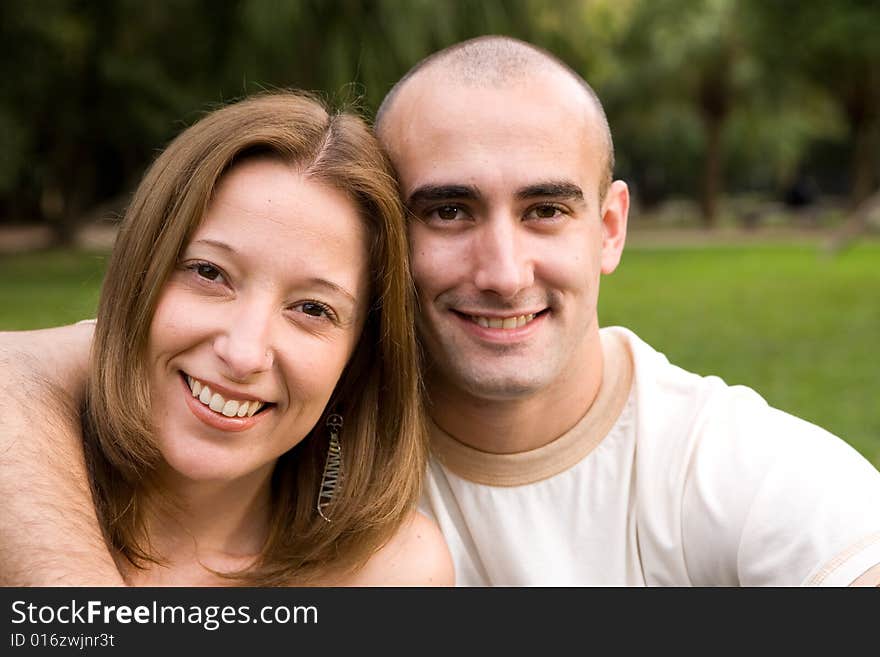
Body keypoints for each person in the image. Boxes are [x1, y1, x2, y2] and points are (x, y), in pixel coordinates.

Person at [3, 36, 880, 586]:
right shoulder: (306, 410)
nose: (502, 271)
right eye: (449, 211)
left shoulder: (722, 462)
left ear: (609, 227)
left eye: (545, 209)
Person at [0, 90, 453, 586]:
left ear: (358, 359)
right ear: (138, 278)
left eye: (312, 309)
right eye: (210, 273)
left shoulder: (388, 575)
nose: (242, 353)